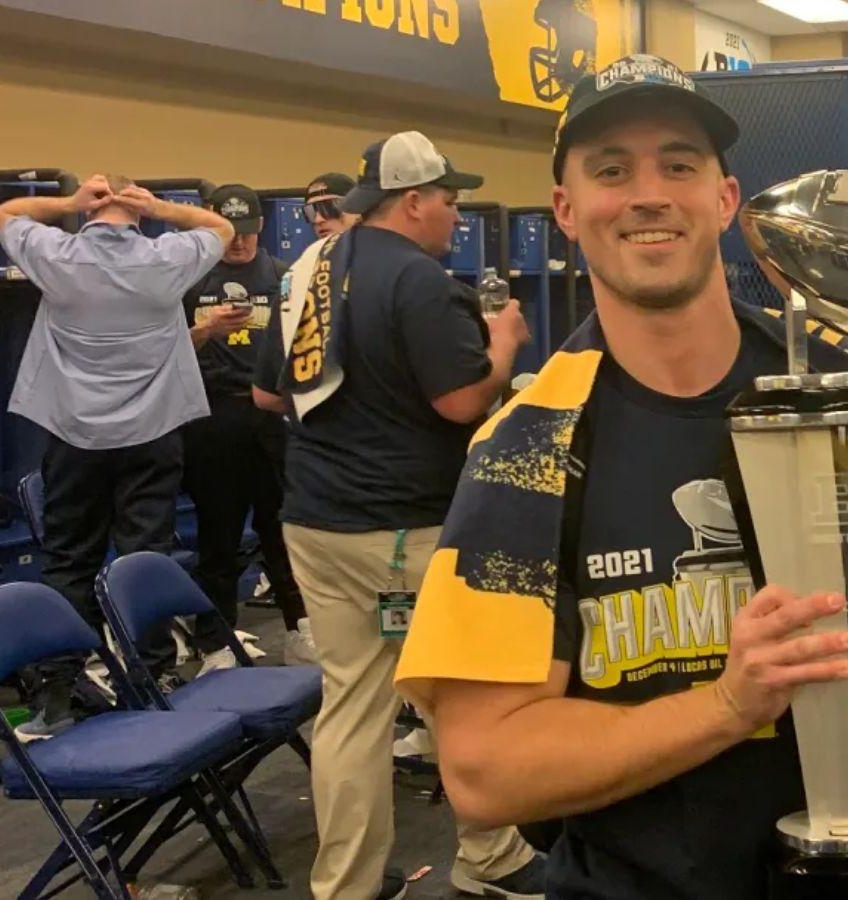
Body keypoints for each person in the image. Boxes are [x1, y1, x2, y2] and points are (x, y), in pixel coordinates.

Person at [394, 54, 848, 900]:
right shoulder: (528, 447)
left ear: (726, 199)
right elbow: (484, 770)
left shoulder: (844, 385)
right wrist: (728, 706)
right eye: (611, 170)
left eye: (679, 163)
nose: (649, 194)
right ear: (567, 209)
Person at [253, 132, 542, 900]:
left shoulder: (308, 270)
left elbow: (268, 394)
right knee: (461, 693)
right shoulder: (419, 279)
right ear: (412, 202)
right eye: (449, 202)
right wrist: (503, 346)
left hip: (314, 523)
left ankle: (344, 887)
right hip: (401, 534)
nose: (456, 218)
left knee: (351, 705)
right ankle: (492, 859)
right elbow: (461, 401)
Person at [0, 175, 234, 737]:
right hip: (152, 434)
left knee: (68, 562)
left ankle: (58, 691)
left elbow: (5, 213)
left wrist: (69, 202)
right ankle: (150, 679)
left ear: (88, 215)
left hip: (74, 437)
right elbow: (220, 226)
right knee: (143, 556)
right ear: (140, 215)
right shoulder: (166, 258)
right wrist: (159, 206)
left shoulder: (56, 254)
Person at [182, 184, 313, 673]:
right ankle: (215, 640)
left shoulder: (282, 277)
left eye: (249, 232)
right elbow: (165, 351)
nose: (240, 243)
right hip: (212, 418)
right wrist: (205, 330)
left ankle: (300, 628)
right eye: (231, 232)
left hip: (271, 418)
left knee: (282, 531)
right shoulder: (189, 280)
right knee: (218, 535)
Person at [302, 171, 359, 240]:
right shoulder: (313, 250)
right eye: (311, 212)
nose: (318, 220)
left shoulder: (373, 248)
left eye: (329, 208)